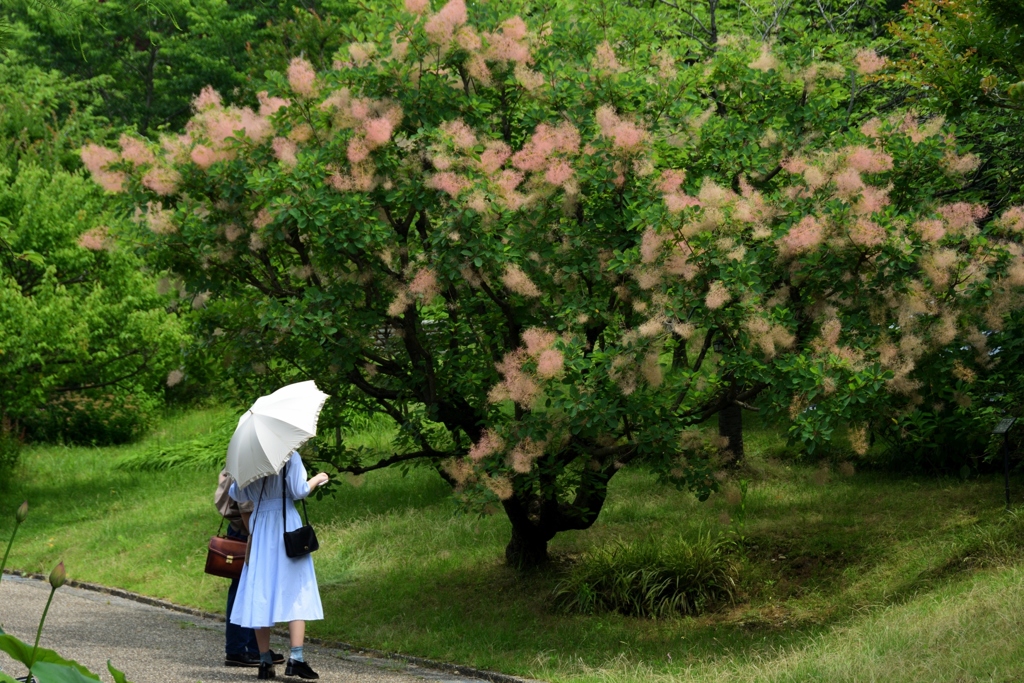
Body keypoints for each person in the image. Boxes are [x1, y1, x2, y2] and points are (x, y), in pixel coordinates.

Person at [229, 452, 329, 680]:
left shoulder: (248, 459)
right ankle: (296, 658)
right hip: (285, 524)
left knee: (260, 590)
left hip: (260, 525)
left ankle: (264, 661)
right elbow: (298, 490)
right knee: (295, 587)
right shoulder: (289, 455)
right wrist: (318, 479)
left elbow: (236, 493)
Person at [215, 469, 285, 668]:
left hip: (244, 529)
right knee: (244, 590)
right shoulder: (250, 465)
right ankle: (239, 650)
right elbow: (246, 507)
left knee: (249, 589)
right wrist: (255, 535)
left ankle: (254, 648)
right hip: (248, 531)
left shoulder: (242, 459)